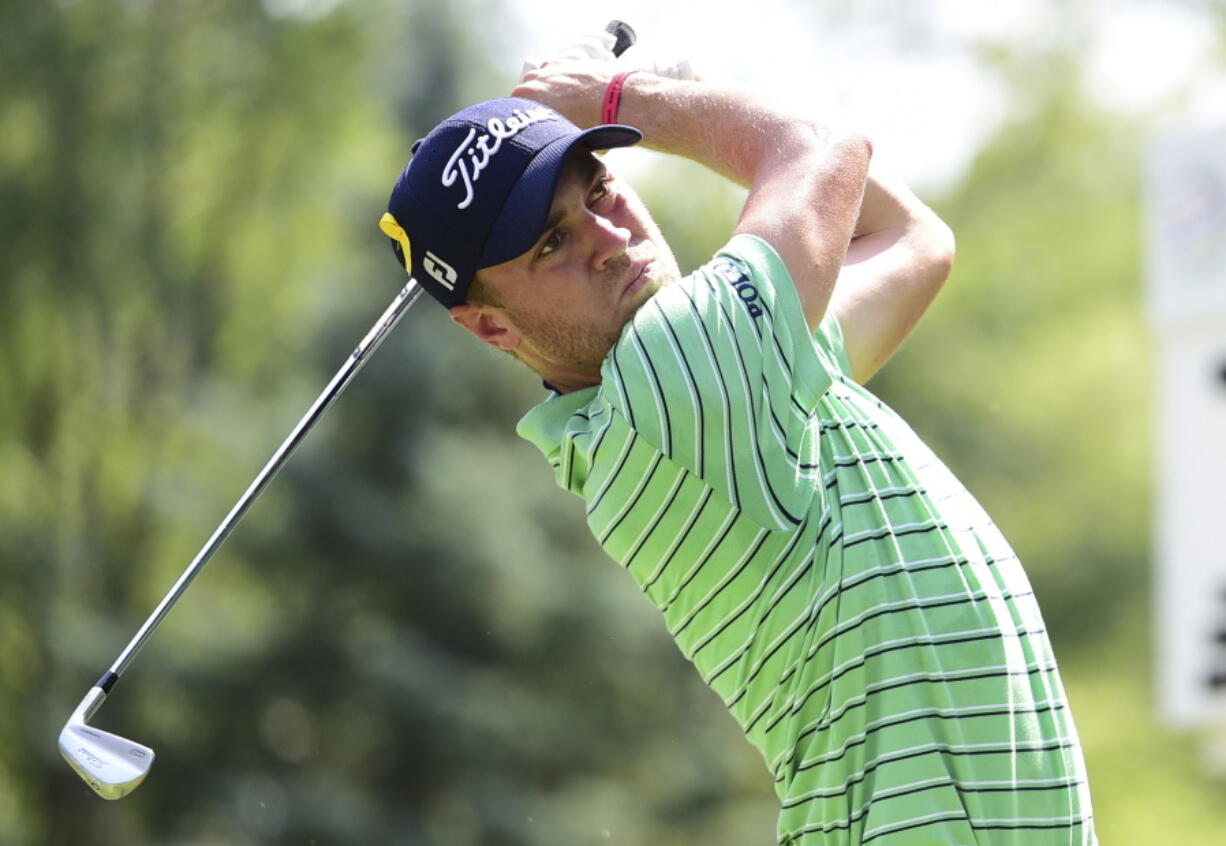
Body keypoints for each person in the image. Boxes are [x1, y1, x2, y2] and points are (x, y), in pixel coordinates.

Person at [378, 51, 1097, 846]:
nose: (611, 239)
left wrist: (684, 81)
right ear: (491, 326)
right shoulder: (672, 378)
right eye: (551, 243)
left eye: (603, 189)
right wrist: (627, 94)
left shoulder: (730, 386)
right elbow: (822, 145)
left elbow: (910, 239)